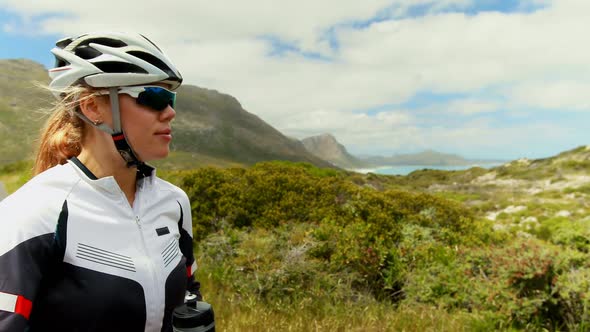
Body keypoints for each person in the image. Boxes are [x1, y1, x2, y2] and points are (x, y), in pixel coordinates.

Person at [0, 32, 201, 331]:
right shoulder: (33, 212)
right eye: (154, 97)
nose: (170, 113)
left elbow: (189, 292)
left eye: (170, 98)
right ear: (92, 107)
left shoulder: (174, 202)